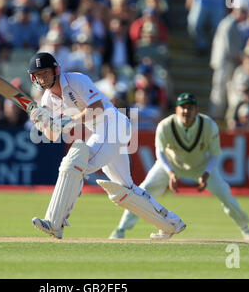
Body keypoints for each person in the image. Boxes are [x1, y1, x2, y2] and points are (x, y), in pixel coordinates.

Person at [28, 52, 186, 239]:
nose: (43, 78)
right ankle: (171, 223)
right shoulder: (47, 100)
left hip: (113, 125)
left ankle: (55, 222)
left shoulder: (76, 79)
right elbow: (53, 135)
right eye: (39, 75)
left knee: (74, 164)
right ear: (33, 78)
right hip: (103, 133)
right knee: (124, 190)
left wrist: (68, 122)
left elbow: (98, 108)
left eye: (46, 72)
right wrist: (42, 123)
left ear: (56, 70)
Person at [109, 93, 249, 241]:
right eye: (183, 107)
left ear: (197, 110)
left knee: (225, 193)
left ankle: (246, 229)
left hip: (201, 166)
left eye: (190, 107)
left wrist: (206, 173)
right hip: (170, 164)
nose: (186, 111)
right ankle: (120, 229)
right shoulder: (165, 126)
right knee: (143, 190)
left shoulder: (209, 125)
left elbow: (215, 154)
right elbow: (159, 153)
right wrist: (171, 173)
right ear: (176, 109)